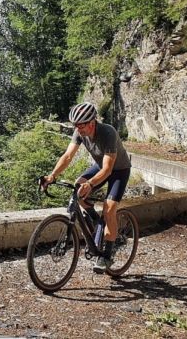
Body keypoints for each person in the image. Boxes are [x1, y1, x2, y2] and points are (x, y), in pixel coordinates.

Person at [41, 102, 131, 273]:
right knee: (77, 187)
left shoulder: (107, 132)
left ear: (92, 122)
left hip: (118, 169)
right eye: (75, 126)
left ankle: (106, 256)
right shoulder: (79, 131)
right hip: (100, 165)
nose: (78, 129)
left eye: (81, 126)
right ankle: (97, 221)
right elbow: (67, 156)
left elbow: (108, 169)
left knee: (109, 208)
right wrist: (52, 176)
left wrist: (90, 184)